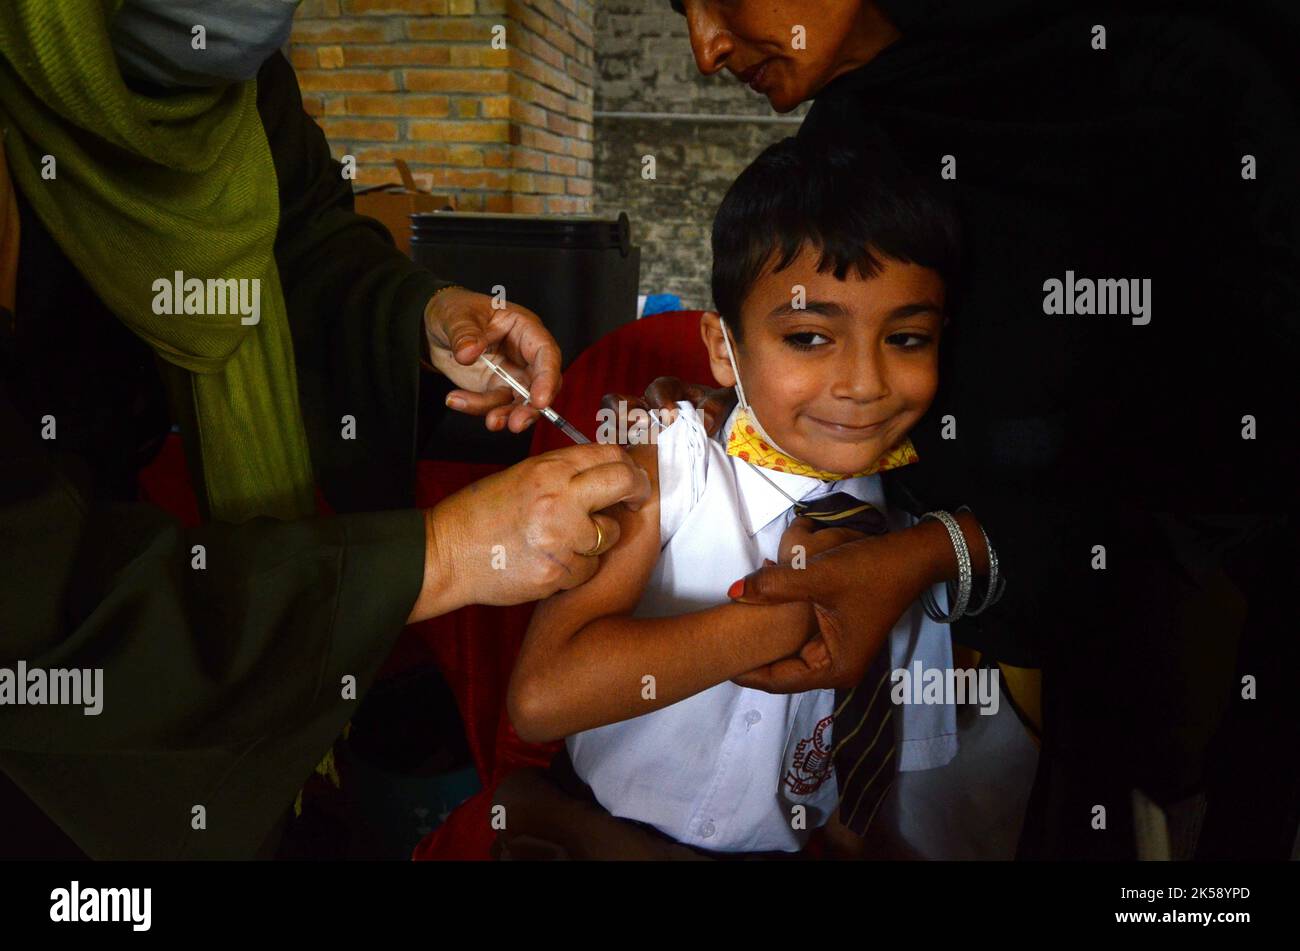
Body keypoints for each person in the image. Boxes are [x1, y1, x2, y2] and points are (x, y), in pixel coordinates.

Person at [645, 0, 1300, 858]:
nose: (705, 48)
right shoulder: (847, 157)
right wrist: (749, 417)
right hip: (985, 705)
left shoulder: (1178, 76)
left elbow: (1199, 431)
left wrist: (936, 554)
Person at [0, 0, 649, 859]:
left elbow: (301, 233)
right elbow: (42, 613)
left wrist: (423, 314)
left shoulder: (231, 83)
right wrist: (448, 553)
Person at [499, 136, 1003, 859]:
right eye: (808, 336)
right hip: (597, 828)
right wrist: (801, 612)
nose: (864, 382)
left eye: (907, 337)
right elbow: (542, 696)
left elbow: (860, 789)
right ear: (720, 346)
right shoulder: (667, 463)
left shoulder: (907, 542)